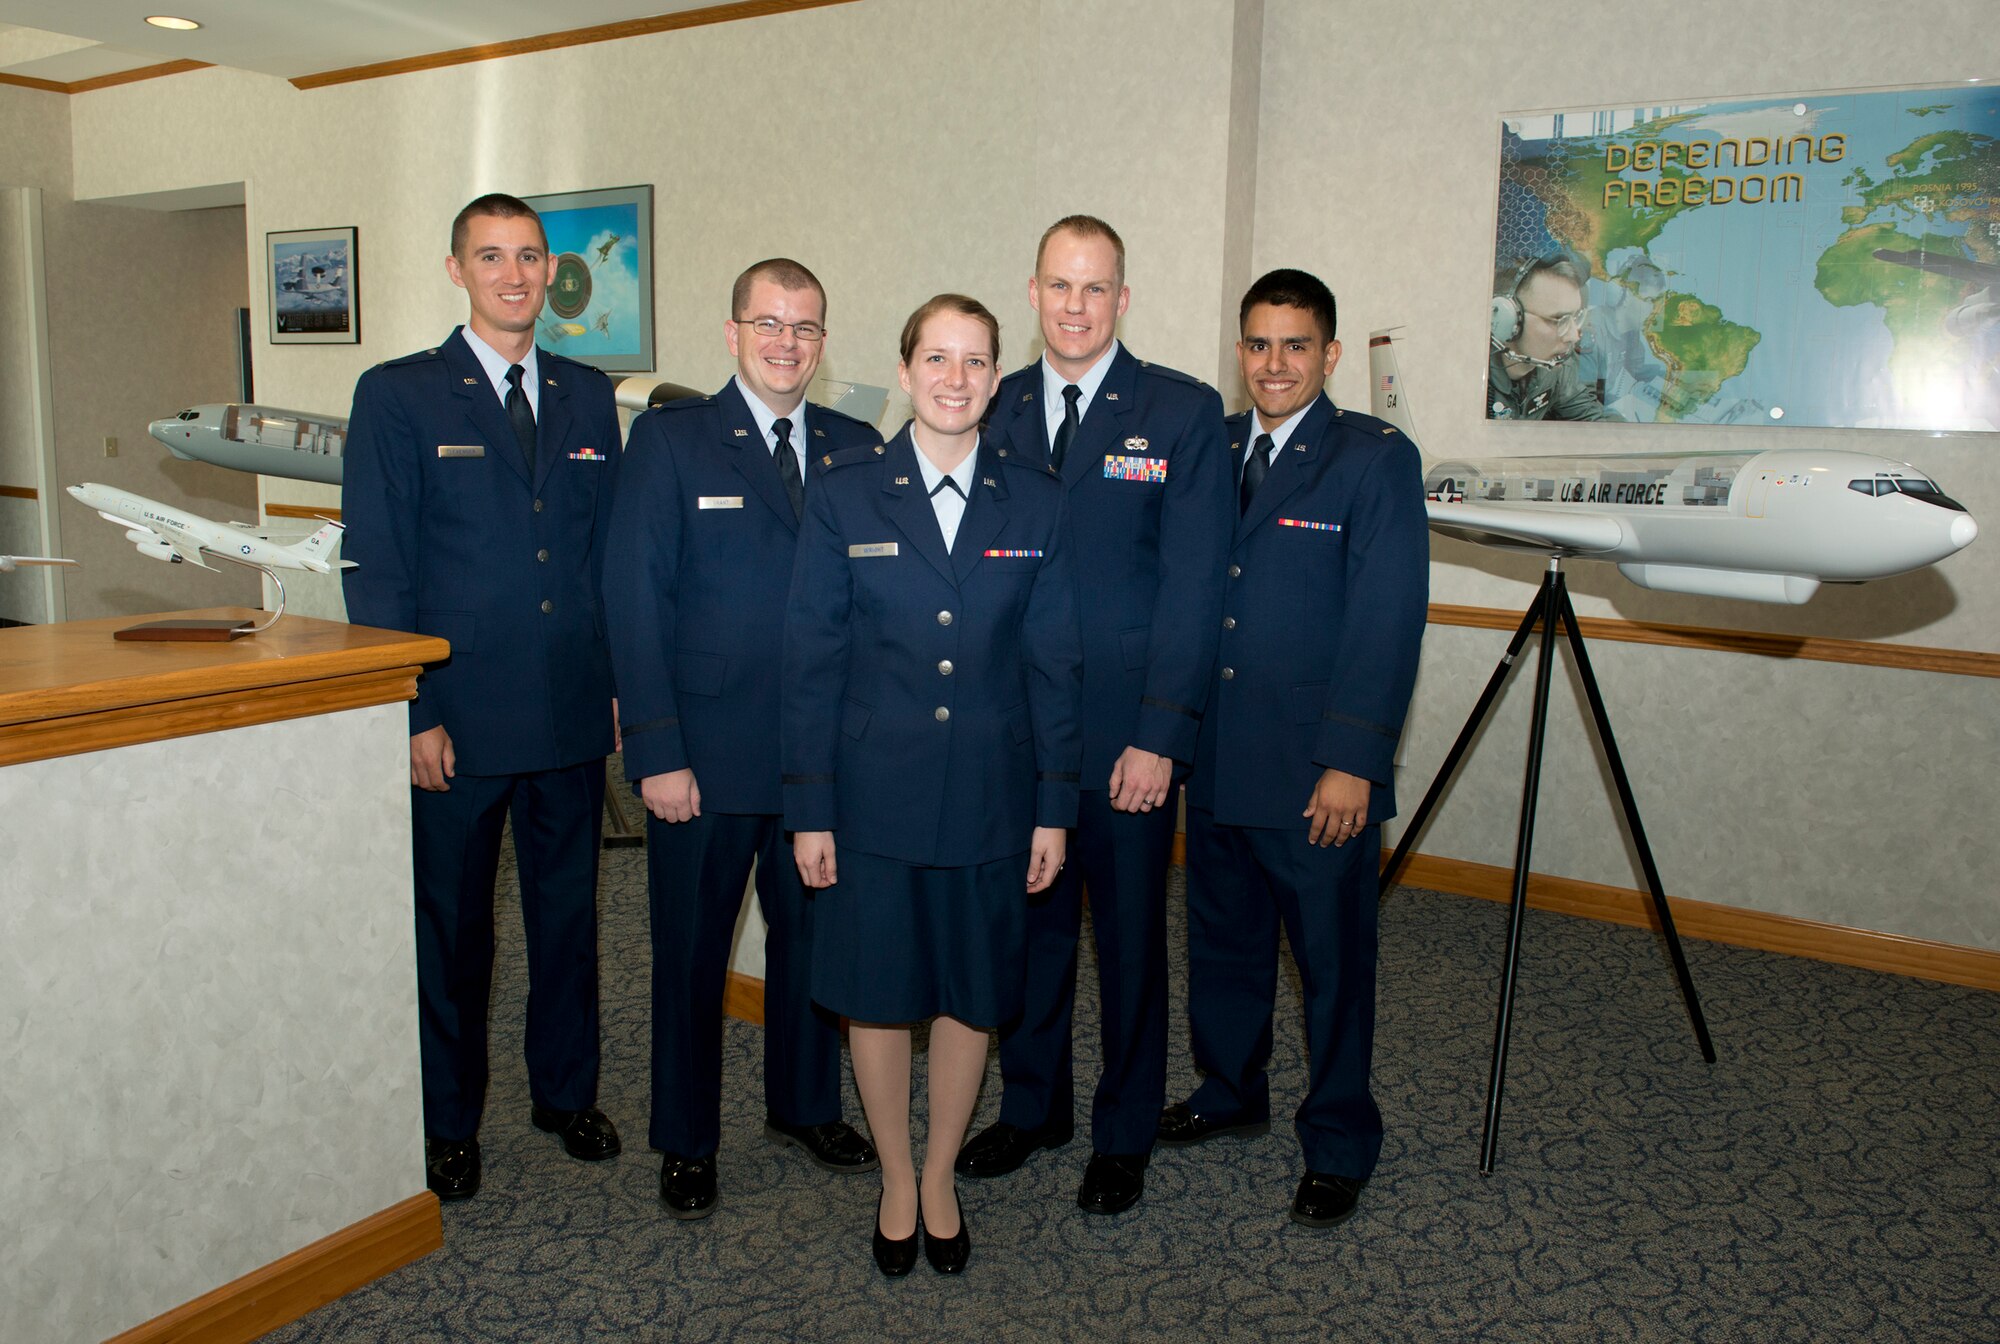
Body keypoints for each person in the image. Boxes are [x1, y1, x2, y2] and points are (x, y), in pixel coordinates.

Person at [784, 294, 1083, 1276]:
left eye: (975, 362)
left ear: (998, 380)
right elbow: (811, 662)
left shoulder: (1034, 499)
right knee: (875, 995)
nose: (954, 379)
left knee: (969, 993)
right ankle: (895, 1178)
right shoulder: (840, 494)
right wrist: (810, 808)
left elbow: (1052, 665)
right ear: (905, 370)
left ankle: (943, 1172)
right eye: (936, 359)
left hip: (992, 800)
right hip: (871, 798)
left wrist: (1051, 807)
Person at [342, 193, 623, 1201]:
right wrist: (411, 709)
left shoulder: (591, 397)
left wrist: (619, 688)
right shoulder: (401, 395)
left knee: (568, 919)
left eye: (531, 257)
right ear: (456, 269)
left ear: (552, 273)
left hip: (569, 712)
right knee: (454, 931)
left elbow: (608, 558)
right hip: (455, 720)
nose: (515, 274)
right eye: (491, 256)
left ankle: (564, 1093)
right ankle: (448, 1119)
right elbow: (375, 571)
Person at [957, 215, 1230, 1215]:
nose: (1075, 306)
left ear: (1123, 300)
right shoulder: (993, 404)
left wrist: (1161, 732)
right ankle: (1033, 1109)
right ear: (1031, 293)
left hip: (1125, 742)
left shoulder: (1179, 411)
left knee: (1125, 942)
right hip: (1019, 737)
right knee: (1027, 934)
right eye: (1058, 287)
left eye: (1095, 288)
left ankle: (1122, 1131)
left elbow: (1195, 587)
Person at [602, 259, 882, 1220]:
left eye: (805, 327)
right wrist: (654, 750)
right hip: (704, 761)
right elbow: (634, 602)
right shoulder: (673, 444)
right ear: (731, 333)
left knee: (812, 942)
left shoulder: (857, 446)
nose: (786, 343)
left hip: (822, 760)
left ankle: (804, 1106)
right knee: (691, 951)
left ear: (822, 341)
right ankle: (685, 1137)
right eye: (768, 323)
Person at [1164, 268, 1428, 1229]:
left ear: (1330, 353)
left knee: (1331, 961)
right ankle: (1231, 1091)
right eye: (1259, 345)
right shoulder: (1212, 447)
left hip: (1319, 770)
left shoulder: (1373, 458)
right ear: (1240, 353)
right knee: (1224, 942)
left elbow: (1388, 617)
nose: (1276, 364)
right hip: (1222, 756)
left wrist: (1354, 758)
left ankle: (1342, 1135)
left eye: (1296, 345)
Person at [1488, 252, 1621, 421]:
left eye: (1576, 318)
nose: (1573, 336)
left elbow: (1592, 416)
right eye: (1559, 320)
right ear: (1508, 319)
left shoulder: (1558, 368)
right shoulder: (1469, 379)